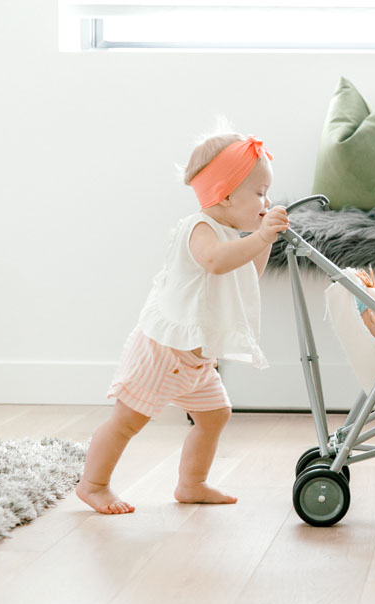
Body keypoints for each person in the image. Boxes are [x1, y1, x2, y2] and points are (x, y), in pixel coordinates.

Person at [76, 133, 289, 514]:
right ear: (226, 195)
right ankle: (93, 484)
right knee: (127, 421)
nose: (267, 202)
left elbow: (247, 275)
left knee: (215, 415)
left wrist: (266, 242)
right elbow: (217, 262)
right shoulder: (199, 228)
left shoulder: (231, 235)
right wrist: (259, 236)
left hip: (196, 360)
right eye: (260, 193)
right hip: (163, 351)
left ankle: (192, 483)